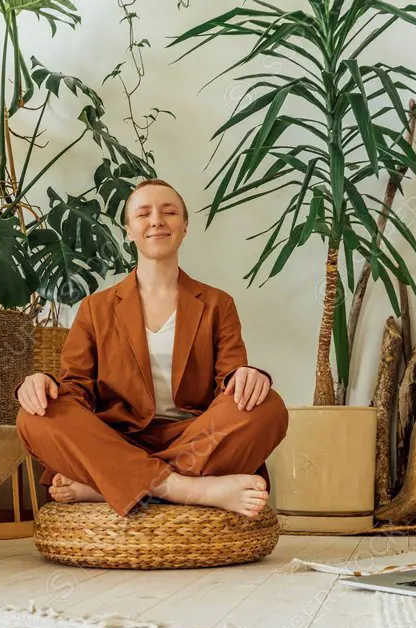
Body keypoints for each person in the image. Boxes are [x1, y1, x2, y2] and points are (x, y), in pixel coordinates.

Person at [15, 179, 289, 518]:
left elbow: (231, 381)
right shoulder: (94, 308)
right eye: (143, 214)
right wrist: (43, 383)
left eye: (169, 212)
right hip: (116, 439)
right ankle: (184, 489)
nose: (157, 220)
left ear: (184, 227)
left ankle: (110, 485)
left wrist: (249, 377)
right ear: (129, 230)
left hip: (196, 439)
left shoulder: (218, 304)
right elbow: (76, 390)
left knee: (268, 408)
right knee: (35, 417)